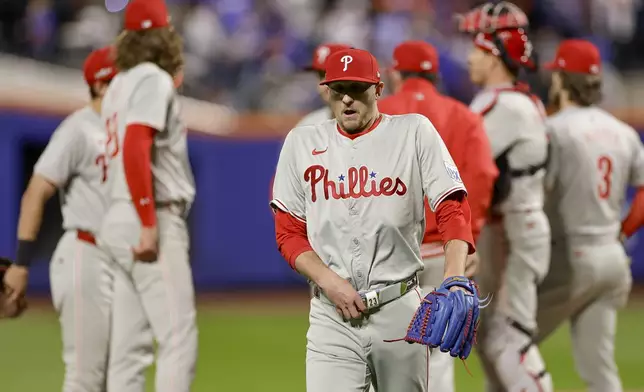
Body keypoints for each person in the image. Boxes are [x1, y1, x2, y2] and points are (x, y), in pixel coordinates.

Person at [271, 47, 478, 392]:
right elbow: (288, 232)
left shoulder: (413, 131)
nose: (348, 99)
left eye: (358, 88)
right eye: (339, 90)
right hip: (331, 317)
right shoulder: (302, 141)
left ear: (379, 89)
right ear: (327, 91)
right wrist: (329, 282)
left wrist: (454, 276)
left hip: (398, 310)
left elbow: (452, 207)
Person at [377, 40, 498, 392]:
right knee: (439, 356)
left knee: (378, 347)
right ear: (434, 74)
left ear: (395, 73)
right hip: (444, 252)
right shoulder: (464, 115)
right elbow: (480, 179)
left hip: (389, 254)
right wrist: (467, 241)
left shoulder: (378, 113)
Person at [2, 47, 117, 390]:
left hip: (123, 261)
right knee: (85, 376)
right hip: (86, 253)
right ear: (98, 85)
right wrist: (21, 264)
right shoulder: (78, 128)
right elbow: (37, 191)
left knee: (121, 374)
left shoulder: (133, 132)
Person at [98, 0, 197, 391]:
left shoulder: (119, 84)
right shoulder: (151, 80)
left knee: (129, 348)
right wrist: (148, 223)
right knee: (177, 337)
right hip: (149, 214)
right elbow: (137, 145)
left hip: (115, 217)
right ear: (163, 34)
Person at [457, 2, 553, 391]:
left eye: (477, 50)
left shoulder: (506, 105)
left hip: (514, 227)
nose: (468, 57)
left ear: (495, 57)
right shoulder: (512, 100)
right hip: (510, 226)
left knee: (508, 335)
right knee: (490, 336)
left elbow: (461, 165)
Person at [538, 39, 643, 392]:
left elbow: (537, 194)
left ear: (564, 80)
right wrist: (624, 231)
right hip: (613, 257)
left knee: (505, 337)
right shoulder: (623, 132)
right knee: (600, 370)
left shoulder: (554, 129)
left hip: (570, 256)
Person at [297, 42, 351, 127]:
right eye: (320, 75)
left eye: (333, 74)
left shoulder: (375, 121)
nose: (325, 84)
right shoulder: (308, 125)